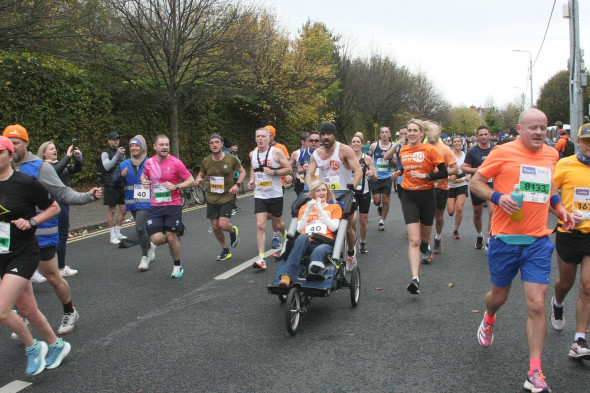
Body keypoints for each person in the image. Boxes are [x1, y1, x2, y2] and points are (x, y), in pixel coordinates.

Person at [470, 108, 575, 393]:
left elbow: (550, 189)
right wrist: (498, 197)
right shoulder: (502, 152)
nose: (540, 133)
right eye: (534, 128)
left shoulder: (552, 155)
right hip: (505, 240)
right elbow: (476, 182)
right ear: (520, 129)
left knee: (537, 303)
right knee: (498, 296)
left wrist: (560, 208)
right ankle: (489, 318)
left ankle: (535, 371)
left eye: (543, 128)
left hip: (538, 241)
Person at [4, 125, 102, 335]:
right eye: (8, 143)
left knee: (52, 276)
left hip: (41, 233)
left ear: (26, 143)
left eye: (16, 143)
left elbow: (63, 194)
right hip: (11, 238)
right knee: (18, 280)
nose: (11, 147)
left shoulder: (40, 168)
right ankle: (28, 315)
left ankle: (69, 310)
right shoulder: (4, 168)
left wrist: (87, 196)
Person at [0, 136, 71, 375]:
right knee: (28, 310)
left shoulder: (26, 182)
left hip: (23, 252)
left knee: (2, 310)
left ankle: (33, 348)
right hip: (1, 253)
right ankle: (56, 345)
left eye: (0, 152)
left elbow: (54, 207)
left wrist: (32, 221)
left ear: (10, 155)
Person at [550, 122, 590, 360]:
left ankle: (579, 340)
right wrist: (563, 213)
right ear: (579, 141)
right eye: (586, 141)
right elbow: (550, 195)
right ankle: (557, 302)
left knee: (587, 287)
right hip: (569, 233)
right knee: (566, 283)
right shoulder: (565, 164)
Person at [393, 119, 446, 294]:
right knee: (413, 240)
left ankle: (426, 245)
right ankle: (415, 279)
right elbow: (405, 169)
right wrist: (399, 172)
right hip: (409, 195)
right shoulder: (403, 150)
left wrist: (426, 176)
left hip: (427, 196)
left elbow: (444, 172)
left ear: (422, 133)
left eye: (415, 130)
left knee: (424, 238)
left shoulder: (430, 150)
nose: (412, 133)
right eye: (409, 130)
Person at [305, 121, 362, 271]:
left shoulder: (344, 150)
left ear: (334, 135)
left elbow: (358, 170)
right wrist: (312, 189)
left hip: (344, 194)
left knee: (347, 227)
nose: (326, 137)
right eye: (323, 134)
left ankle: (350, 253)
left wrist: (352, 187)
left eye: (329, 134)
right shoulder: (316, 154)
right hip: (327, 196)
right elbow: (309, 175)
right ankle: (325, 253)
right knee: (325, 225)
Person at [140, 134, 195, 278]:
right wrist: (144, 181)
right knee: (156, 239)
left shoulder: (176, 163)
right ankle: (173, 244)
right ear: (154, 147)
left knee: (171, 237)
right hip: (156, 206)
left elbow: (191, 180)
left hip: (173, 205)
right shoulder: (149, 163)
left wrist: (176, 186)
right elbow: (144, 176)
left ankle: (177, 266)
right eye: (161, 145)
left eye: (167, 145)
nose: (165, 147)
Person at [275, 180, 342, 287]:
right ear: (313, 194)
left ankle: (314, 273)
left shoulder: (334, 207)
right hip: (307, 242)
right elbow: (299, 228)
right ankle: (286, 277)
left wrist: (320, 209)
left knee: (318, 251)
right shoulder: (305, 208)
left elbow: (334, 227)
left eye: (324, 190)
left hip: (325, 243)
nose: (321, 193)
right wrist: (308, 210)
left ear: (328, 192)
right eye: (318, 190)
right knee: (301, 237)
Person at [196, 134, 245, 261]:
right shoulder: (206, 161)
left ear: (222, 144)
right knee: (215, 226)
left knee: (223, 225)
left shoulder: (231, 159)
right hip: (212, 198)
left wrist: (237, 185)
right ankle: (225, 249)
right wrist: (199, 180)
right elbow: (201, 174)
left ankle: (232, 231)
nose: (214, 144)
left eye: (217, 142)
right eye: (212, 142)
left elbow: (243, 172)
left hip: (227, 196)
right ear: (209, 145)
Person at [248, 127, 292, 269]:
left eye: (263, 136)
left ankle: (286, 235)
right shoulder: (252, 154)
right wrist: (251, 179)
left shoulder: (276, 152)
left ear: (269, 138)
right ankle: (261, 259)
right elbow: (253, 167)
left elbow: (289, 169)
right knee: (260, 225)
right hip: (260, 194)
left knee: (278, 225)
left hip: (275, 194)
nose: (260, 138)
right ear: (255, 139)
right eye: (258, 136)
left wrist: (274, 172)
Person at [37, 140, 82, 277]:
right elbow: (56, 172)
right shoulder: (44, 166)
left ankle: (53, 267)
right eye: (51, 149)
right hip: (54, 203)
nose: (54, 150)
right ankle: (60, 268)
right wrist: (68, 156)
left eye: (55, 148)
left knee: (58, 236)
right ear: (44, 153)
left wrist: (78, 158)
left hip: (63, 203)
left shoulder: (59, 165)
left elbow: (75, 169)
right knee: (59, 236)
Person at [113, 135, 156, 271]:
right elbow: (113, 180)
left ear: (142, 147)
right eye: (132, 146)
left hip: (147, 202)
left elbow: (159, 178)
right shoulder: (123, 164)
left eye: (137, 145)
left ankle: (144, 257)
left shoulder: (150, 162)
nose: (134, 148)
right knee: (144, 229)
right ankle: (149, 246)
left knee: (138, 228)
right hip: (132, 202)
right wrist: (121, 176)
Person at [423, 121, 458, 255]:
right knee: (426, 217)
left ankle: (437, 236)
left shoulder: (445, 149)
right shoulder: (423, 147)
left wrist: (440, 173)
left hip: (441, 187)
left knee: (438, 217)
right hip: (425, 187)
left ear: (439, 134)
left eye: (433, 132)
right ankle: (425, 245)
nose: (430, 135)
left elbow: (454, 169)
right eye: (428, 132)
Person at [461, 126, 495, 250]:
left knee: (492, 212)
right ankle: (479, 235)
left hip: (492, 184)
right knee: (477, 214)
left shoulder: (496, 150)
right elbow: (464, 168)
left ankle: (490, 238)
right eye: (481, 135)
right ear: (477, 137)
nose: (484, 137)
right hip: (477, 185)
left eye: (486, 134)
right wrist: (477, 170)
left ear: (489, 134)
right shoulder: (472, 151)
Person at [264, 125, 292, 247]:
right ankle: (283, 231)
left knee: (274, 217)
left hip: (277, 185)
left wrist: (286, 176)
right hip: (263, 186)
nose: (266, 137)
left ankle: (275, 237)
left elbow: (286, 165)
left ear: (273, 136)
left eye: (269, 135)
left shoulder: (280, 148)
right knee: (268, 216)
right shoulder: (258, 149)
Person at [350, 134, 377, 253]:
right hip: (351, 192)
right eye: (354, 142)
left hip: (364, 191)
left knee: (363, 220)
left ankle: (363, 241)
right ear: (351, 144)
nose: (356, 144)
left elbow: (376, 177)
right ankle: (354, 236)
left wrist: (372, 174)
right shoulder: (347, 158)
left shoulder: (367, 158)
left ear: (362, 144)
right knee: (352, 219)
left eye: (358, 142)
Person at [99, 132, 127, 245]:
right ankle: (112, 235)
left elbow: (123, 166)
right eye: (114, 139)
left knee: (124, 209)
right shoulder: (105, 153)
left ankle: (118, 231)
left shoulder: (121, 152)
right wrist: (117, 155)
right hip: (110, 185)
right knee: (112, 210)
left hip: (121, 184)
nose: (116, 141)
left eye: (117, 139)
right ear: (109, 141)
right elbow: (107, 166)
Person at [368, 126, 394, 231]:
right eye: (382, 132)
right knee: (377, 201)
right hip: (376, 176)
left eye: (386, 132)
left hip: (387, 176)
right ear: (380, 134)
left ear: (389, 134)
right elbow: (368, 158)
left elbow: (396, 164)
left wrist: (389, 157)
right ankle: (379, 207)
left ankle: (382, 221)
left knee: (386, 199)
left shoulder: (392, 147)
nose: (384, 134)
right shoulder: (374, 146)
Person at [447, 136, 470, 240]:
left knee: (459, 208)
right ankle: (454, 223)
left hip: (462, 184)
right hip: (450, 185)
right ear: (452, 143)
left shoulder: (465, 156)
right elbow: (442, 170)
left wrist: (469, 176)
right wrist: (448, 177)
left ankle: (456, 230)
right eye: (455, 141)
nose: (457, 143)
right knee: (451, 211)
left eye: (458, 141)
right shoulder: (448, 155)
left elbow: (469, 170)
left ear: (462, 143)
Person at [293, 130, 321, 197]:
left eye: (316, 141)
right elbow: (299, 170)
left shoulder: (326, 151)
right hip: (308, 185)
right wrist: (303, 169)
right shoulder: (304, 152)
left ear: (320, 141)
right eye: (311, 140)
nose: (313, 142)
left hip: (322, 186)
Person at [290, 132, 310, 196]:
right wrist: (287, 175)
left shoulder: (317, 152)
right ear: (302, 142)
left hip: (313, 181)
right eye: (309, 141)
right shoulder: (296, 153)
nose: (311, 143)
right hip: (300, 182)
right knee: (301, 203)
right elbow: (288, 167)